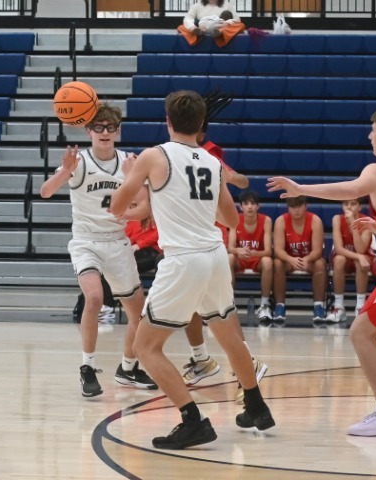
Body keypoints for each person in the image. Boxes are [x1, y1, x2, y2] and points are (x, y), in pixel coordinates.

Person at [112, 90, 274, 450]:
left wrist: (132, 176)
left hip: (184, 259)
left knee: (145, 347)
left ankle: (192, 421)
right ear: (201, 124)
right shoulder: (213, 163)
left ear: (167, 121)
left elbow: (118, 207)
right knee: (229, 337)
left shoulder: (154, 156)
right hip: (215, 256)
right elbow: (231, 220)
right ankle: (256, 406)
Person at [267, 104, 376, 436]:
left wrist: (301, 189)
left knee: (361, 333)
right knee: (366, 332)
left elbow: (350, 190)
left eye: (372, 131)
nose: (369, 137)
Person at [40, 104, 157, 398]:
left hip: (117, 242)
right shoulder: (79, 162)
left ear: (118, 131)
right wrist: (65, 172)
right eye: (99, 127)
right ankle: (88, 367)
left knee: (139, 314)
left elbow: (145, 208)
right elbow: (45, 191)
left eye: (110, 127)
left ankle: (128, 369)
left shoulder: (129, 163)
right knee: (94, 297)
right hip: (86, 241)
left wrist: (126, 204)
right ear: (88, 131)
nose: (105, 132)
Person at [181, 91, 267, 404]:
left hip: (205, 239)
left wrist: (231, 177)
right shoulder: (178, 154)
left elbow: (241, 182)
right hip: (190, 240)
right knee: (201, 309)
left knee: (219, 312)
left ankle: (243, 366)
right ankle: (203, 359)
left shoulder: (209, 155)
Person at [272, 196, 327, 322]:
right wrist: (291, 259)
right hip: (289, 261)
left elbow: (317, 251)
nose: (296, 210)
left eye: (299, 206)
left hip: (309, 260)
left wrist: (306, 259)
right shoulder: (281, 221)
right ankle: (280, 306)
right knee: (277, 263)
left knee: (320, 264)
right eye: (292, 206)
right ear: (288, 207)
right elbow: (278, 250)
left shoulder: (315, 220)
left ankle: (318, 306)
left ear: (306, 206)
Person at [325, 198, 376, 322]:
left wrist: (353, 224)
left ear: (360, 207)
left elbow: (361, 249)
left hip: (364, 258)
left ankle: (360, 307)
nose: (349, 207)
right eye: (345, 203)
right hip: (348, 257)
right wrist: (359, 256)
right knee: (339, 260)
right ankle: (339, 307)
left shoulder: (366, 221)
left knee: (360, 262)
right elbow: (339, 249)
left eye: (353, 203)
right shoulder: (337, 219)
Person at [228, 190, 274, 322]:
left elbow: (268, 251)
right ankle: (228, 304)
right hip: (241, 259)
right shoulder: (234, 219)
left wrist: (254, 253)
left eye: (253, 203)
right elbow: (230, 248)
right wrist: (238, 251)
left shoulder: (266, 220)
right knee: (229, 258)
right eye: (246, 203)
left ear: (258, 206)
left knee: (268, 261)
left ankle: (264, 305)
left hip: (257, 259)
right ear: (240, 207)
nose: (249, 207)